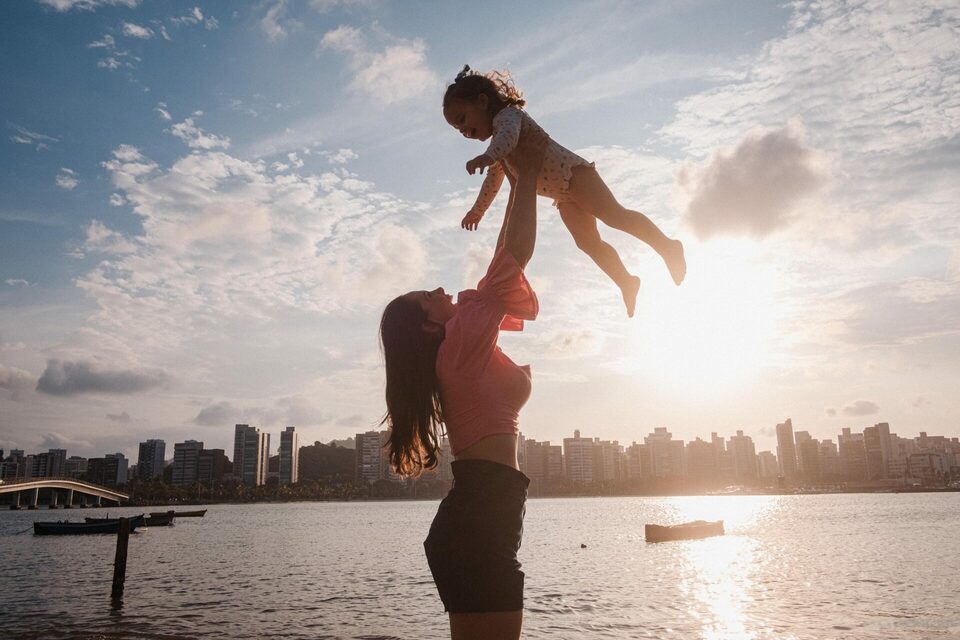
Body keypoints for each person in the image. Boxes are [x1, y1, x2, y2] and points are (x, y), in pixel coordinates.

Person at [379, 122, 548, 640]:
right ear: (430, 325)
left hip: (482, 516)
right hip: (481, 519)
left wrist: (520, 183)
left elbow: (502, 257)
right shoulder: (457, 345)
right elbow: (512, 256)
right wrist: (529, 171)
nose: (437, 287)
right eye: (426, 297)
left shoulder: (461, 349)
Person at [443, 65, 687, 317]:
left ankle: (668, 246)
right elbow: (493, 181)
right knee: (587, 242)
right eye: (458, 130)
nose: (464, 132)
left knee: (614, 216)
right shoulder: (499, 146)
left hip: (576, 175)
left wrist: (486, 156)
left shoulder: (508, 117)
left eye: (463, 120)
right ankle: (626, 281)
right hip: (563, 197)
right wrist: (477, 211)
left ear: (482, 102)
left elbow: (509, 137)